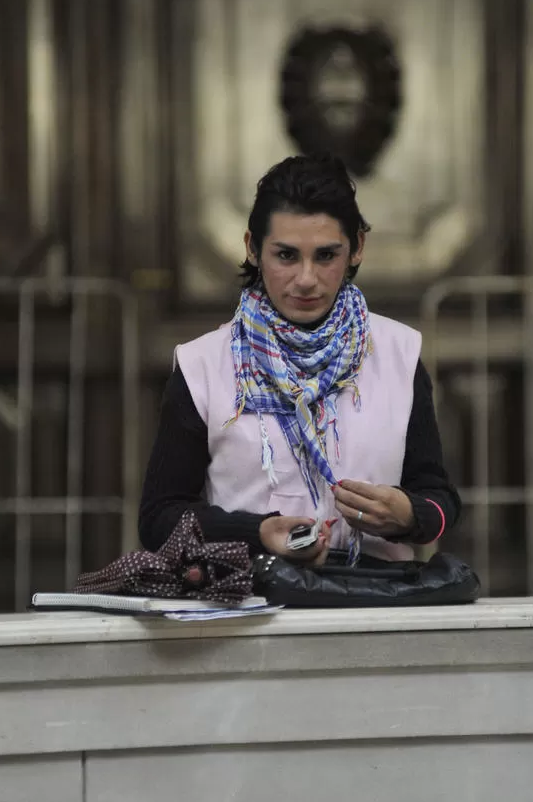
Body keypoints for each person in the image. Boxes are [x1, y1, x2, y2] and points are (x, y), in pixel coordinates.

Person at [139, 154, 460, 567]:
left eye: (326, 256)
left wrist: (408, 516)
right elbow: (158, 521)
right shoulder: (203, 365)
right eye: (286, 256)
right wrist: (257, 533)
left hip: (375, 607)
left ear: (357, 248)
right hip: (250, 610)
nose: (306, 279)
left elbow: (440, 502)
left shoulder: (398, 353)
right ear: (253, 249)